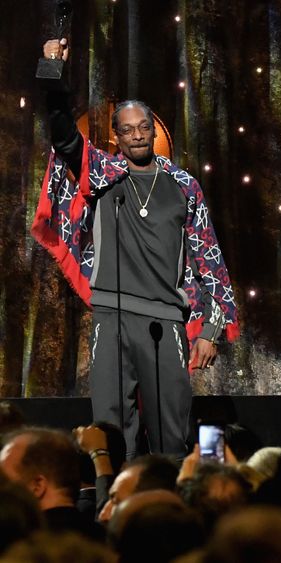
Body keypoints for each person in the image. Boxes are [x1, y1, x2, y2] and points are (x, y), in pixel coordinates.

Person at [32, 38, 240, 458]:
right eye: (127, 130)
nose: (137, 136)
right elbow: (64, 136)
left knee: (171, 429)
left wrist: (212, 330)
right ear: (116, 136)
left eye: (143, 127)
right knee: (110, 429)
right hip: (112, 314)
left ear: (155, 130)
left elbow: (207, 257)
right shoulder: (103, 175)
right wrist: (52, 70)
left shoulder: (184, 186)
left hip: (166, 319)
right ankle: (113, 508)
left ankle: (171, 512)